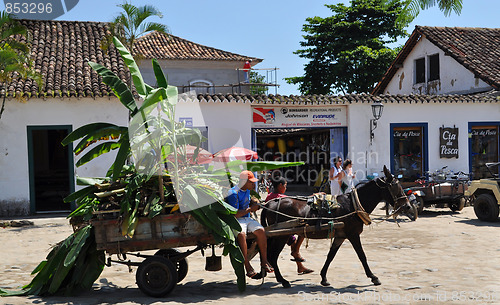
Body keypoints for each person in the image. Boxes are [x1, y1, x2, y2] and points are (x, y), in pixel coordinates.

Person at [227, 170, 273, 279]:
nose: (254, 184)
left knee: (261, 231)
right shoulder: (233, 193)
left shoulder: (247, 190)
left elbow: (250, 200)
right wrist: (251, 209)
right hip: (237, 220)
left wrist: (256, 202)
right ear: (243, 182)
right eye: (251, 182)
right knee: (242, 235)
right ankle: (247, 265)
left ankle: (264, 261)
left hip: (247, 218)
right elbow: (236, 214)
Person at [265, 177, 313, 275]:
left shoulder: (269, 196)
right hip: (281, 226)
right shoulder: (282, 199)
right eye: (285, 185)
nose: (286, 188)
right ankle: (296, 253)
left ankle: (300, 265)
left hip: (273, 225)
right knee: (302, 231)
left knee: (295, 237)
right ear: (280, 186)